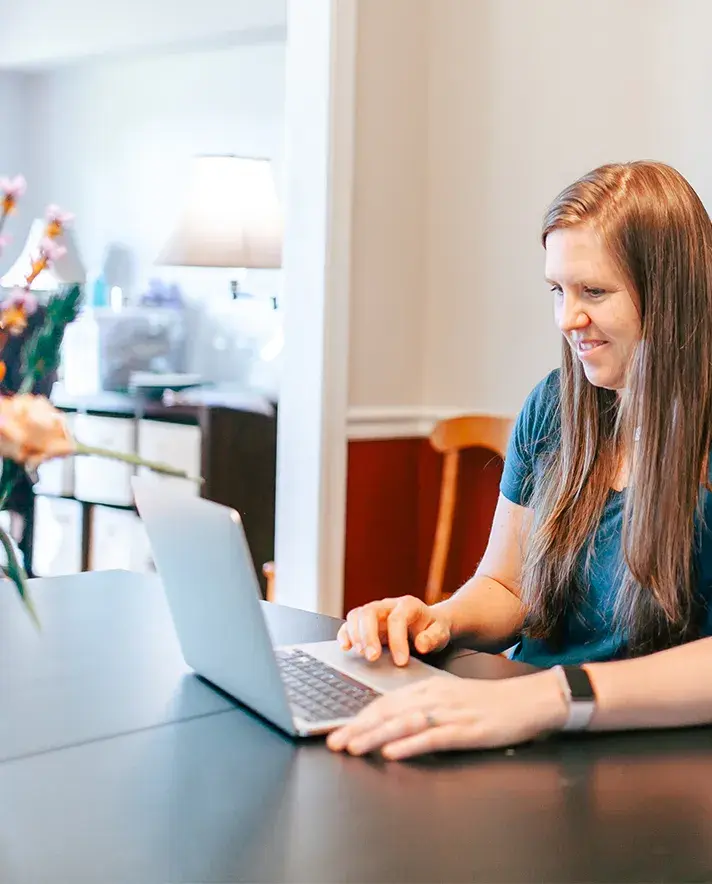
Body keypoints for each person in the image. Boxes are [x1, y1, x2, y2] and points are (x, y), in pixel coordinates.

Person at [327, 161, 712, 760]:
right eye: (558, 291)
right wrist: (439, 618)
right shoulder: (554, 406)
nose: (567, 320)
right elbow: (509, 584)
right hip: (526, 720)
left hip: (647, 756)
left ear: (670, 294)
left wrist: (548, 699)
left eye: (595, 292)